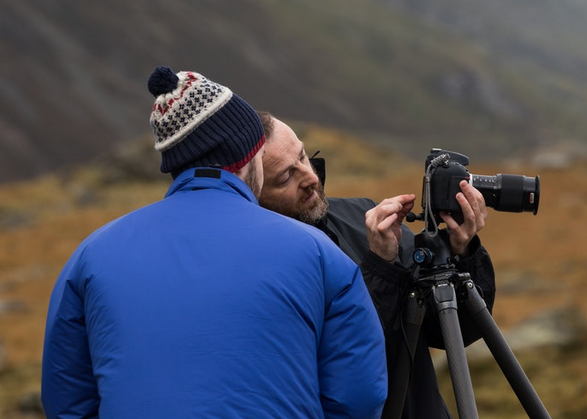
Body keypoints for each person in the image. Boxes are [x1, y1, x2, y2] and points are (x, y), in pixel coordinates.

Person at [41, 67, 388, 419]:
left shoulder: (90, 256)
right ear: (250, 156)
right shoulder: (318, 253)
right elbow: (360, 396)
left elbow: (67, 402)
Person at [257, 111, 496, 419]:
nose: (311, 177)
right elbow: (343, 364)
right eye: (286, 177)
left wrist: (460, 251)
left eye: (303, 156)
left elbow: (452, 331)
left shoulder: (363, 215)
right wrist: (380, 266)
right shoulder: (265, 267)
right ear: (253, 191)